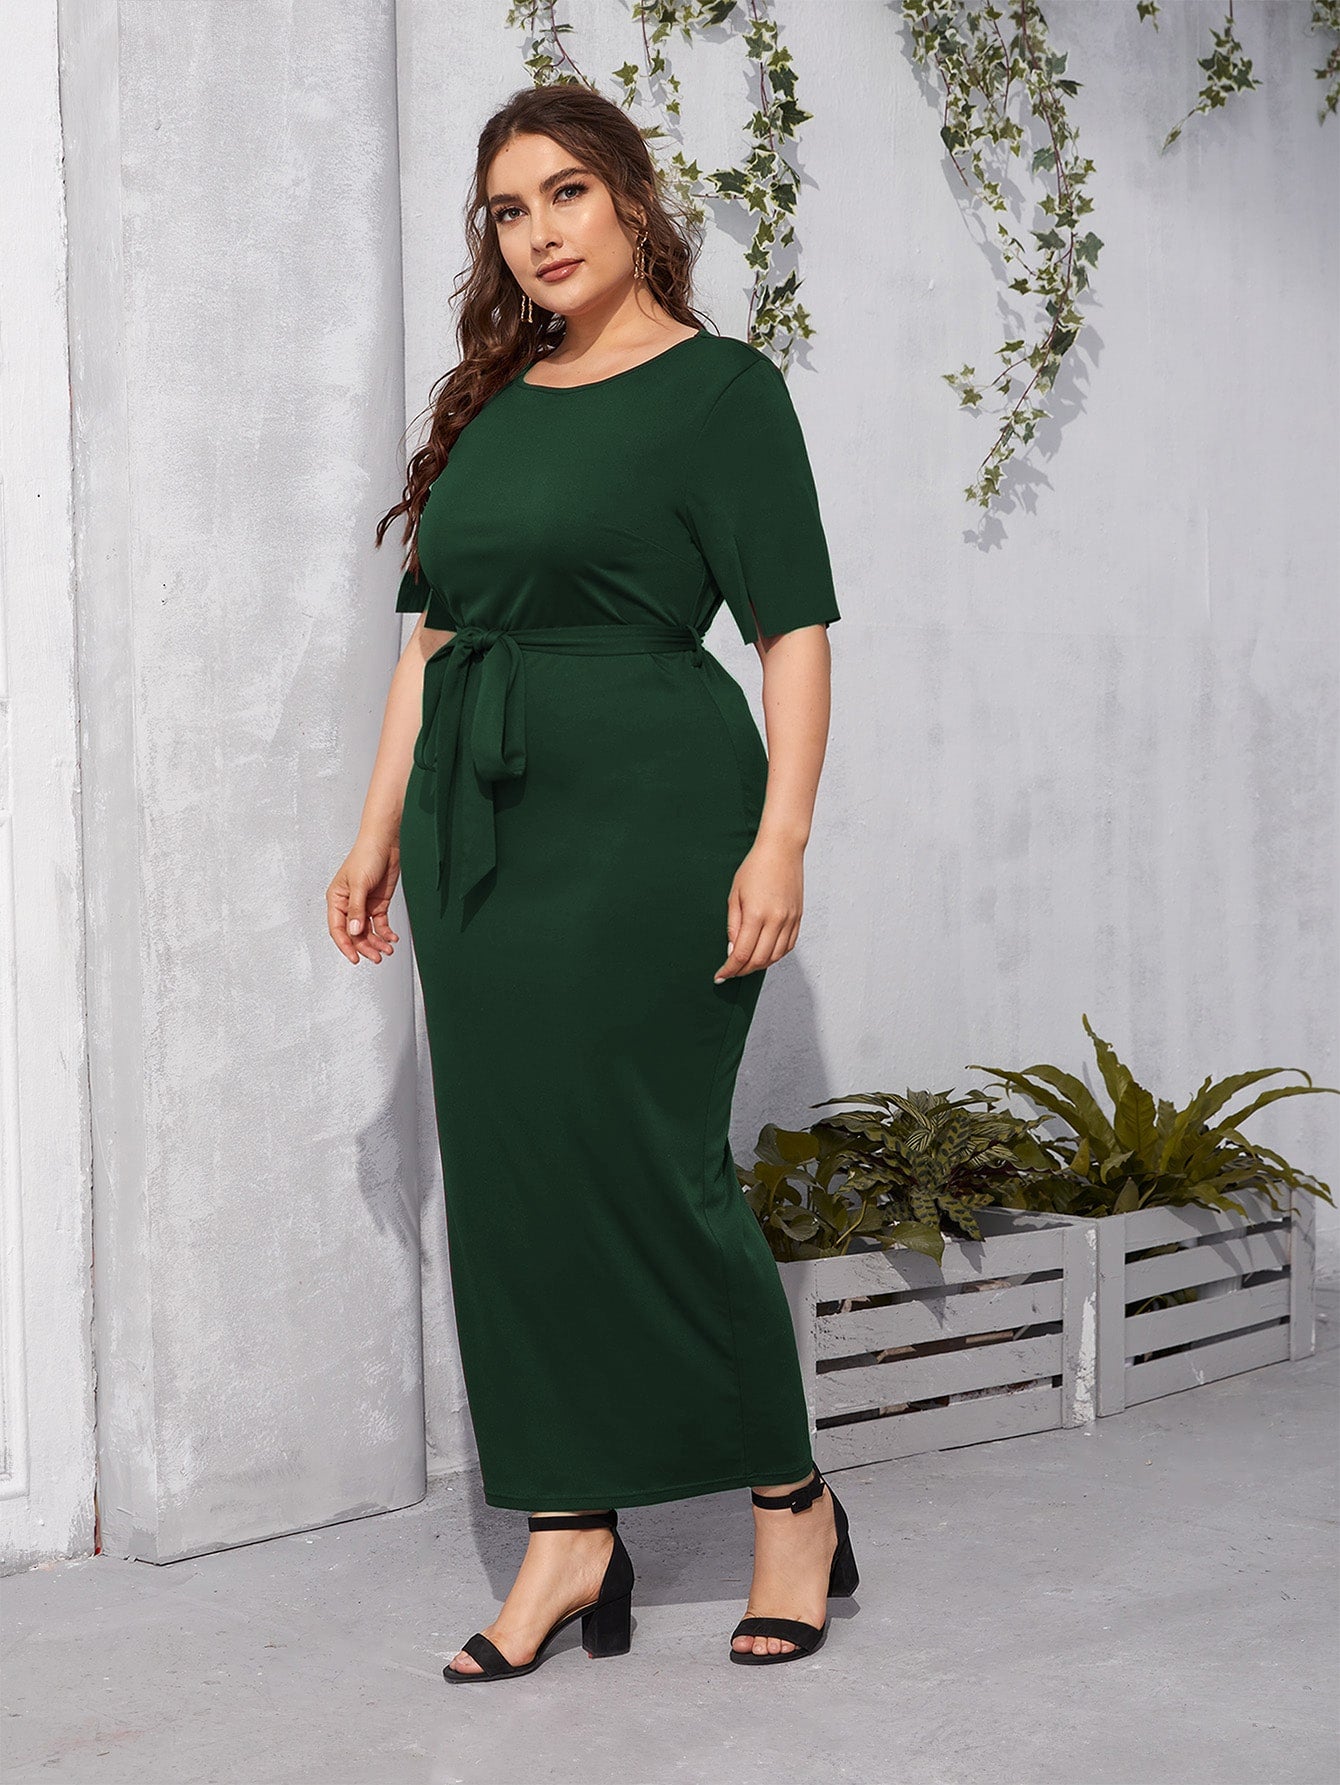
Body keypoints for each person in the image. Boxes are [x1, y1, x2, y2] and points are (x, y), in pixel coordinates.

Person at [326, 82, 858, 1678]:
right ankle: (567, 1533)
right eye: (510, 207)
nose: (540, 230)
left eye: (566, 191)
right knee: (511, 1181)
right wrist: (374, 832)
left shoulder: (723, 392)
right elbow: (436, 636)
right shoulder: (492, 401)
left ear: (633, 198)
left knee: (654, 1166)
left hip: (651, 821)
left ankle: (792, 1504)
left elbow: (793, 628)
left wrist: (781, 837)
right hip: (476, 838)